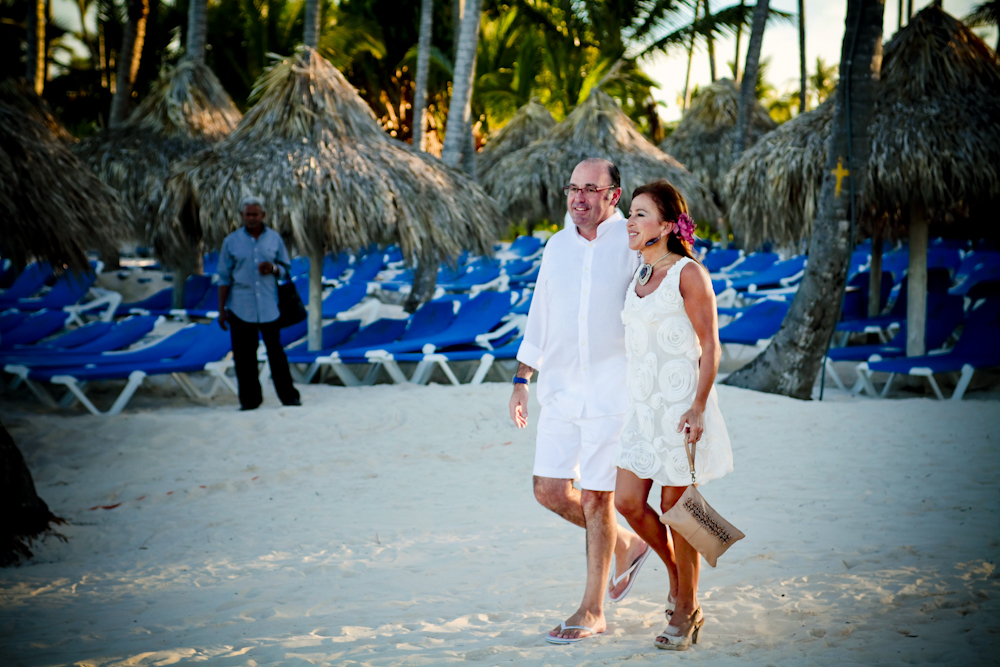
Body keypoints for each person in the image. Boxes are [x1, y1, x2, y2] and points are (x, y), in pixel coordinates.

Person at [509, 158, 651, 644]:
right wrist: (521, 377)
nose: (578, 198)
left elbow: (660, 298)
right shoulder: (556, 246)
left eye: (591, 189)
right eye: (573, 188)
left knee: (596, 496)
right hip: (561, 391)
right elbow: (540, 313)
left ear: (614, 196)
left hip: (614, 392)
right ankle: (628, 543)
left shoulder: (634, 241)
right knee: (549, 490)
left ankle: (592, 609)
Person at [613, 180, 733, 651]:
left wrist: (699, 405)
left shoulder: (689, 274)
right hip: (642, 409)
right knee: (626, 501)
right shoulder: (638, 275)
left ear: (665, 226)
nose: (630, 220)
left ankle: (687, 608)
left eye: (640, 214)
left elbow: (711, 348)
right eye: (631, 213)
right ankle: (675, 576)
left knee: (678, 511)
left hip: (682, 408)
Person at [216, 196, 301, 410]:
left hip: (269, 305)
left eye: (255, 214)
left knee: (277, 354)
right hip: (240, 306)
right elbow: (224, 277)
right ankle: (250, 401)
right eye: (247, 215)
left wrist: (273, 269)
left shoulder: (274, 239)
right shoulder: (231, 242)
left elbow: (286, 269)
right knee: (244, 357)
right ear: (242, 216)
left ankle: (289, 397)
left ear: (263, 215)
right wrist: (222, 310)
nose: (251, 218)